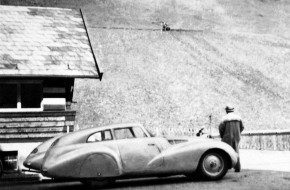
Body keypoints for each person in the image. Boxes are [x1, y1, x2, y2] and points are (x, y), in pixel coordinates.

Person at [218, 105, 244, 172]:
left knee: (226, 151)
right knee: (236, 151)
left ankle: (226, 168)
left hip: (227, 137)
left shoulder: (224, 118)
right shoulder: (238, 117)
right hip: (237, 137)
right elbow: (242, 127)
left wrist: (222, 136)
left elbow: (221, 128)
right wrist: (238, 133)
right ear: (233, 110)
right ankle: (237, 167)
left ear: (226, 110)